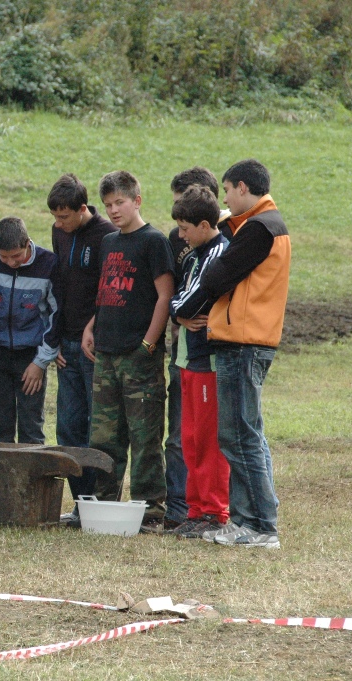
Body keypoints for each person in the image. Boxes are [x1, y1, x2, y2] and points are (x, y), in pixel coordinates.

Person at [199, 159, 290, 549]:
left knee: (238, 435)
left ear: (241, 187)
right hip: (251, 339)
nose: (224, 200)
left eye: (226, 191)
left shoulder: (258, 229)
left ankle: (259, 525)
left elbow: (215, 278)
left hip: (243, 341)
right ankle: (247, 519)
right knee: (247, 432)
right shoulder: (264, 224)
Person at [82, 171, 174, 530]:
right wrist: (91, 327)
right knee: (104, 435)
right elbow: (107, 292)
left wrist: (148, 344)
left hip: (139, 355)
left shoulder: (154, 241)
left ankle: (150, 510)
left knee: (144, 434)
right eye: (108, 205)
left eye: (119, 202)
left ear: (137, 201)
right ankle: (104, 503)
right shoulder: (108, 242)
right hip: (105, 352)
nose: (113, 210)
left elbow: (164, 296)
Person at [161, 167, 232, 530]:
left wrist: (180, 309)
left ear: (205, 225)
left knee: (207, 441)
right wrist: (180, 310)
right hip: (187, 357)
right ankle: (194, 510)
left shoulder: (218, 254)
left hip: (208, 360)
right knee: (189, 439)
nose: (181, 235)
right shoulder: (193, 256)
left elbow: (189, 303)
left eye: (185, 228)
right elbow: (178, 303)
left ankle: (215, 512)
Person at [45, 174, 117, 527]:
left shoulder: (107, 236)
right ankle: (80, 504)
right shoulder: (59, 232)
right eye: (56, 218)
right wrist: (56, 339)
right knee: (68, 427)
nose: (59, 224)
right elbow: (59, 287)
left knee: (95, 427)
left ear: (82, 209)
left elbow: (108, 290)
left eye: (64, 217)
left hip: (93, 347)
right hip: (66, 346)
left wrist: (93, 327)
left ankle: (99, 505)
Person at [0, 217, 59, 443]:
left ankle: (31, 467)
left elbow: (57, 314)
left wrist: (40, 362)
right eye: (4, 257)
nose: (11, 262)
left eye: (16, 256)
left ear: (27, 243)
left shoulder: (49, 264)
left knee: (31, 426)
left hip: (31, 357)